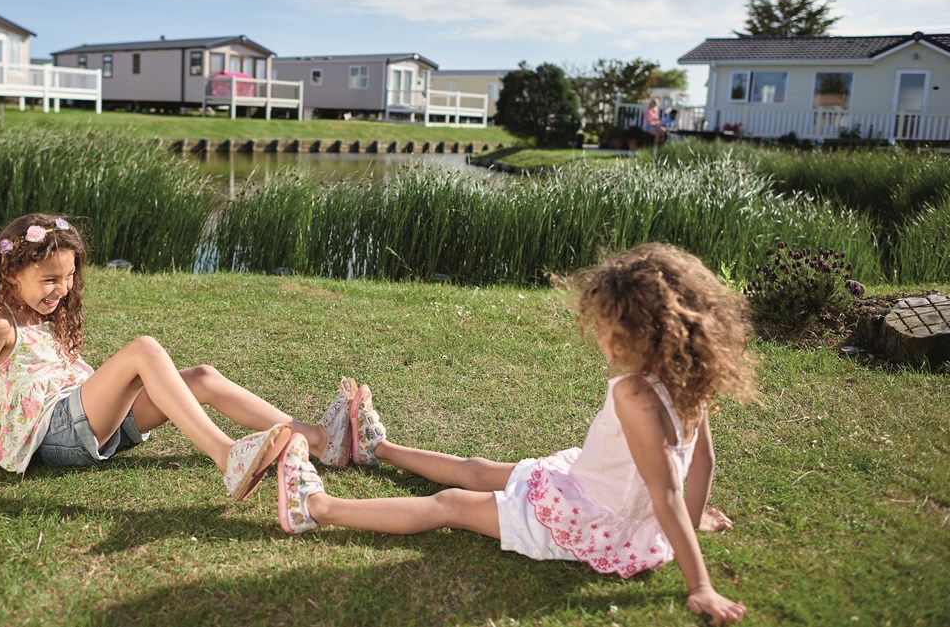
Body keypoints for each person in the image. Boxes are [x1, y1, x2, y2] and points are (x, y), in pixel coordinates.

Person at [276, 243, 756, 625]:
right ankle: (376, 448)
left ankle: (316, 509)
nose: (599, 337)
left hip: (588, 518)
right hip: (591, 491)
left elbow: (667, 489)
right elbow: (700, 465)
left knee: (453, 504)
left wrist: (700, 586)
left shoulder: (635, 394)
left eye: (608, 327)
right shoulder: (692, 378)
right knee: (478, 471)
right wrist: (688, 525)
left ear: (647, 331)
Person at [0, 213, 354, 500]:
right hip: (52, 433)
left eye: (69, 277)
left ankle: (316, 440)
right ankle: (227, 455)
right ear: (11, 273)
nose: (62, 290)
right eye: (50, 280)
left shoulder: (42, 311)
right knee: (144, 350)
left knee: (201, 377)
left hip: (87, 415)